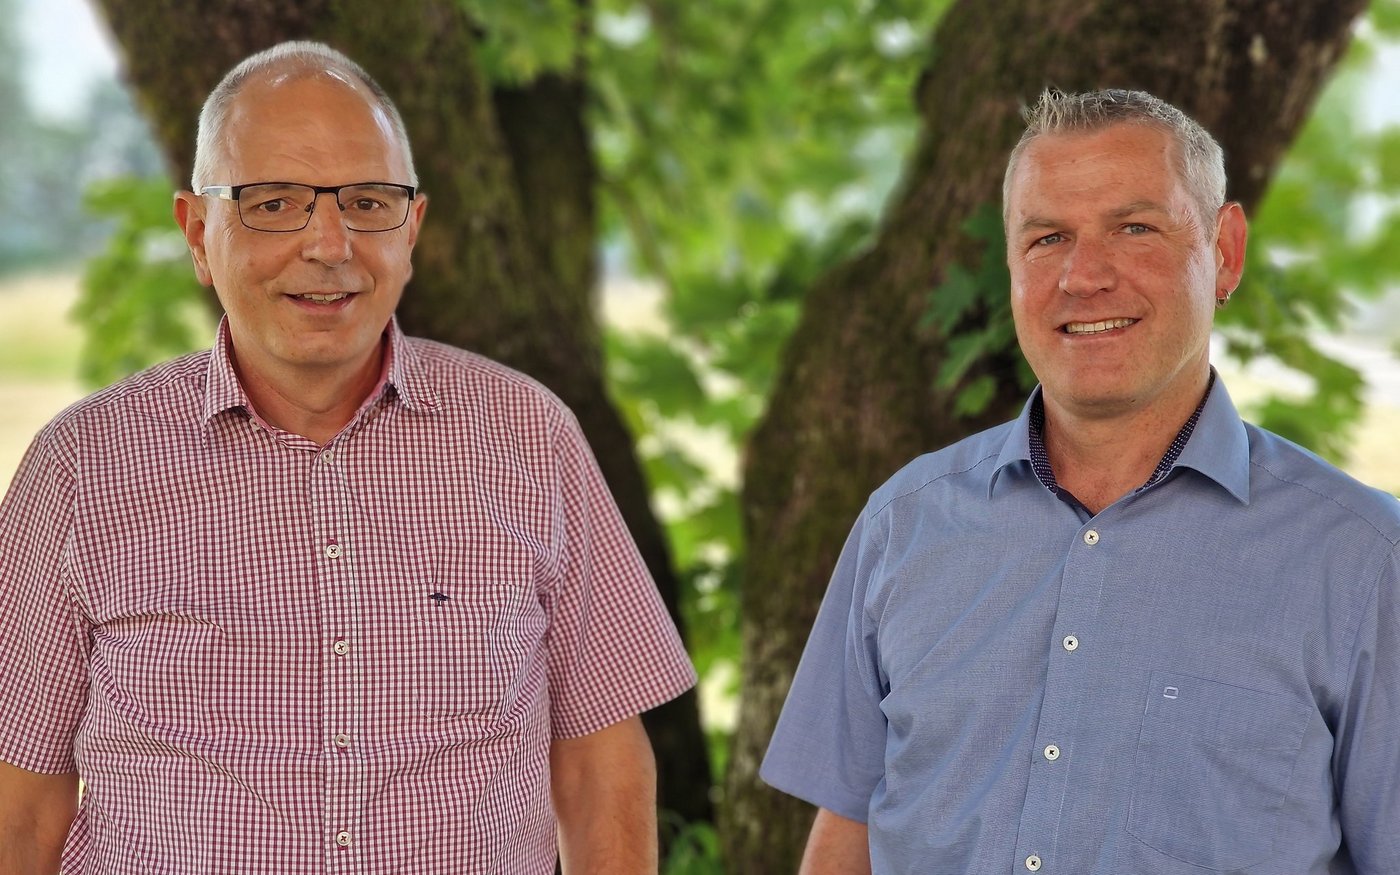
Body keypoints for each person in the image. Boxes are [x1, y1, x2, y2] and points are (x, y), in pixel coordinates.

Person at [0, 41, 696, 874]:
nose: (329, 244)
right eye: (273, 203)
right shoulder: (82, 467)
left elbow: (600, 763)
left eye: (368, 202)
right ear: (197, 231)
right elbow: (19, 805)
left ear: (413, 230)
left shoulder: (529, 438)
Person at [761, 88, 1400, 874]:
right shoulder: (902, 525)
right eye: (1047, 238)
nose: (1083, 275)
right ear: (1009, 265)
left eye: (1135, 228)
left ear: (1225, 251)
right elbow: (846, 838)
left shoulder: (1364, 560)